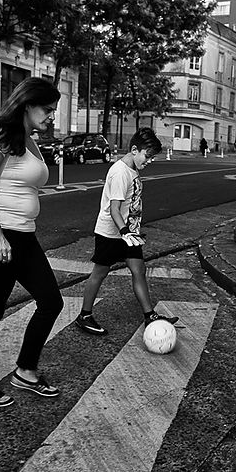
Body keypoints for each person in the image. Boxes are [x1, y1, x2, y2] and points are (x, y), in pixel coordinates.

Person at [0, 77, 64, 407]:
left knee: (51, 301)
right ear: (27, 104)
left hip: (23, 236)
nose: (52, 116)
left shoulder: (28, 139)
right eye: (47, 109)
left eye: (54, 110)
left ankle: (26, 370)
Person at [74, 127, 179, 336]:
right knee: (100, 272)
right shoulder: (120, 172)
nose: (149, 161)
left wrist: (131, 231)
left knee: (138, 270)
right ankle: (84, 316)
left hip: (128, 232)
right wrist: (125, 232)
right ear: (134, 150)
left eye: (152, 157)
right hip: (111, 233)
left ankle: (150, 316)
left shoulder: (132, 168)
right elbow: (114, 209)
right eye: (147, 156)